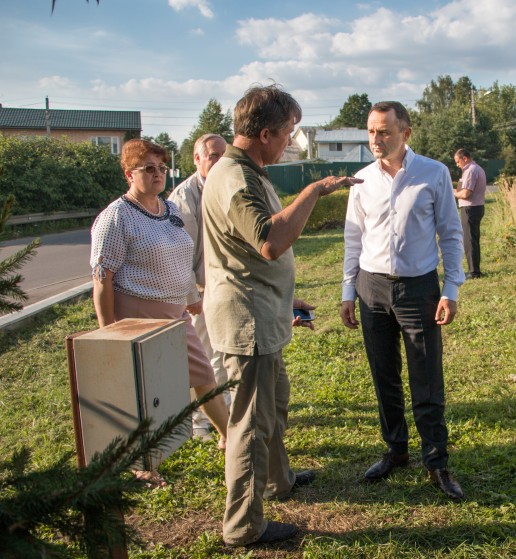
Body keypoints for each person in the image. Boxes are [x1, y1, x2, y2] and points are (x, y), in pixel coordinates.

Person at [201, 84, 360, 547]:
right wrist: (315, 190)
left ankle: (277, 481)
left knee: (275, 403)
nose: (291, 140)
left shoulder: (249, 170)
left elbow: (244, 254)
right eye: (288, 131)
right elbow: (270, 239)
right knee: (251, 425)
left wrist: (287, 300)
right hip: (246, 320)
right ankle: (243, 526)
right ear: (265, 132)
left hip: (262, 310)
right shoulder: (237, 179)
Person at [340, 101, 466, 500]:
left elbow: (450, 233)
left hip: (418, 289)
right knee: (384, 375)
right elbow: (352, 238)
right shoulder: (360, 181)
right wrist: (347, 290)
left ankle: (437, 462)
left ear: (405, 134)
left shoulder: (433, 173)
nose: (376, 140)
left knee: (426, 377)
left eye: (385, 132)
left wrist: (451, 289)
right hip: (371, 288)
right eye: (372, 132)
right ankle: (395, 450)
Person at [90, 138, 230, 485]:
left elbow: (180, 258)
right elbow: (102, 278)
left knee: (203, 377)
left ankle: (229, 438)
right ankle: (144, 466)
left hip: (175, 313)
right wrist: (109, 332)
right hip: (135, 317)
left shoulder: (168, 210)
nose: (157, 175)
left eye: (162, 168)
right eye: (148, 169)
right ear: (129, 174)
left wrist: (189, 296)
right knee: (142, 394)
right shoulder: (116, 217)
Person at [167, 133, 230, 441]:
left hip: (224, 288)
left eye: (223, 154)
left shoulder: (224, 186)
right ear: (197, 159)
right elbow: (181, 254)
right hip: (201, 293)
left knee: (222, 356)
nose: (220, 161)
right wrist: (192, 296)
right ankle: (198, 424)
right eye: (213, 155)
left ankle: (224, 419)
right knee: (204, 360)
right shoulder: (184, 198)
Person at [453, 149, 487, 279]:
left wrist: (454, 193)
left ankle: (473, 272)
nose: (457, 165)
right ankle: (475, 269)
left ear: (465, 158)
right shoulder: (476, 168)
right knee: (473, 239)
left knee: (469, 240)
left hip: (470, 208)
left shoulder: (470, 170)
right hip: (476, 207)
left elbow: (466, 193)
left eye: (458, 161)